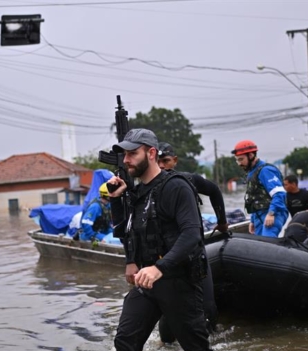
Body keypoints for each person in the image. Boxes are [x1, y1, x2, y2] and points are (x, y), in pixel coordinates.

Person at [107, 129, 212, 351]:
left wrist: (159, 268)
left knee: (195, 346)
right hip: (146, 283)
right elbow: (126, 231)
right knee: (125, 342)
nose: (126, 160)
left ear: (151, 153)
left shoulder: (176, 186)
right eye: (124, 155)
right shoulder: (137, 192)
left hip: (179, 282)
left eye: (132, 154)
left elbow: (192, 235)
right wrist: (116, 201)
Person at [156, 141, 223, 343]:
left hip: (194, 255)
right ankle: (167, 344)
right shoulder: (148, 188)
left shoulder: (186, 181)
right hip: (165, 259)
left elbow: (214, 190)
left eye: (166, 161)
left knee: (209, 307)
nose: (161, 167)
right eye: (158, 161)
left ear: (174, 161)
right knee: (168, 314)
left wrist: (223, 222)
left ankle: (213, 342)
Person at [232, 140, 288, 237]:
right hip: (259, 215)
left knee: (268, 247)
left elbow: (279, 194)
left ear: (251, 156)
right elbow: (255, 198)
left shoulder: (265, 171)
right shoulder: (252, 172)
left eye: (241, 159)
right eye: (237, 160)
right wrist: (253, 220)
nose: (239, 163)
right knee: (259, 246)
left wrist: (271, 213)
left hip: (272, 214)